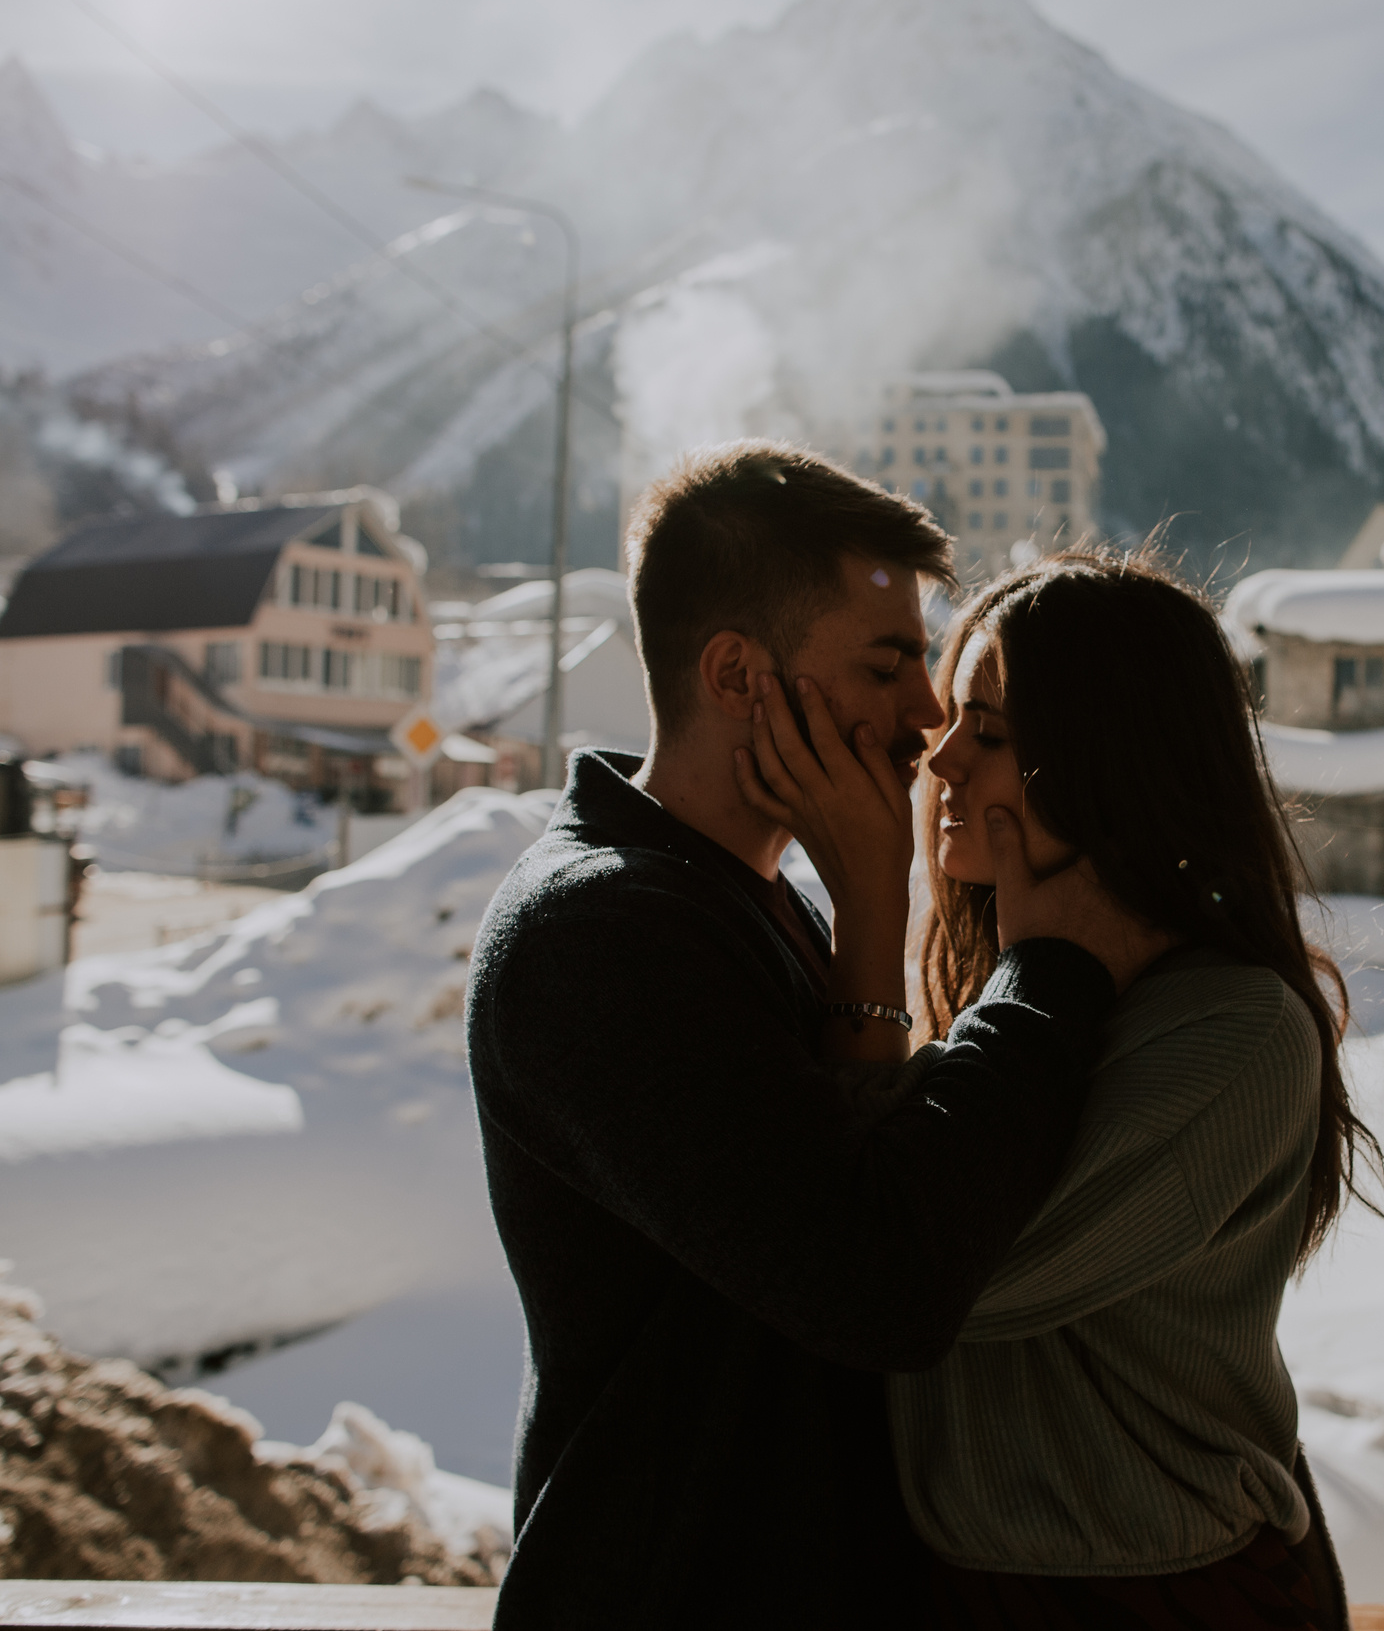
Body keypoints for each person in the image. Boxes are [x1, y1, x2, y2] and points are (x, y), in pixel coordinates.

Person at [465, 445, 1171, 1627]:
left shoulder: (749, 900)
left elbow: (859, 1171)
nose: (926, 715)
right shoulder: (597, 935)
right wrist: (1054, 964)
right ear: (739, 675)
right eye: (888, 665)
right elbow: (878, 1286)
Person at [743, 551, 1379, 1630]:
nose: (938, 760)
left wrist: (867, 906)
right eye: (952, 721)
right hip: (985, 1583)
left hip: (1160, 1594)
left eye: (988, 732)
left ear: (1110, 761)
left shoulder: (1233, 1033)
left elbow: (913, 1277)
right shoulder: (1025, 997)